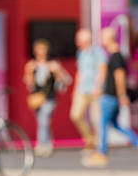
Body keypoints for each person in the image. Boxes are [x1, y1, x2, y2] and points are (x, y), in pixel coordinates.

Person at [83, 27, 138, 167]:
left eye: (102, 37)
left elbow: (120, 76)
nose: (101, 40)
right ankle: (136, 141)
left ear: (110, 38)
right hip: (110, 94)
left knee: (102, 124)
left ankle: (101, 153)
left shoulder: (116, 56)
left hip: (111, 96)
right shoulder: (114, 55)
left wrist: (121, 95)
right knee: (116, 124)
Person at [24, 39, 71, 157]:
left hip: (49, 97)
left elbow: (65, 81)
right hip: (37, 98)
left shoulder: (53, 64)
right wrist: (29, 72)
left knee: (43, 120)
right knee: (42, 122)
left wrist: (57, 72)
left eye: (43, 50)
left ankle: (41, 145)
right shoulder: (32, 65)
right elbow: (30, 85)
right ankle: (48, 143)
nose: (41, 53)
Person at [70, 28, 107, 154]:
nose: (76, 42)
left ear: (85, 40)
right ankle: (90, 140)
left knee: (95, 118)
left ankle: (96, 145)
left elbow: (102, 70)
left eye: (78, 39)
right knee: (75, 115)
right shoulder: (80, 53)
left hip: (95, 90)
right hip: (82, 89)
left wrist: (98, 87)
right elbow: (79, 72)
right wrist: (75, 89)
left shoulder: (98, 52)